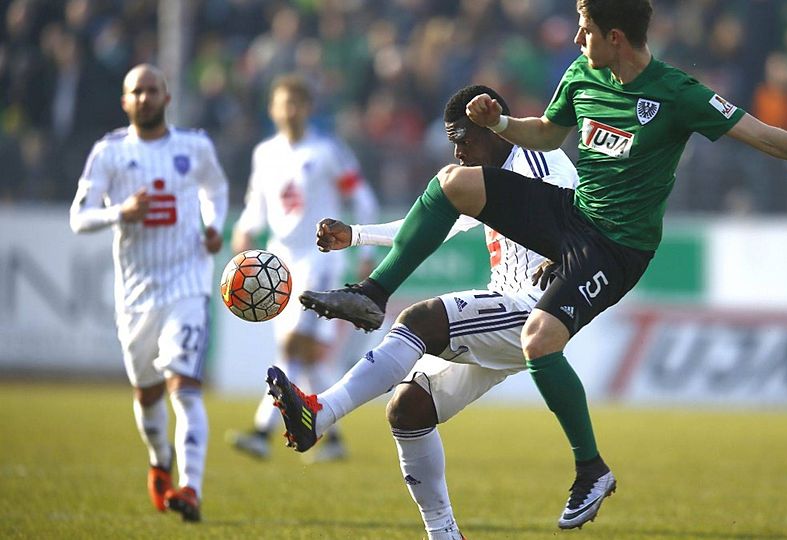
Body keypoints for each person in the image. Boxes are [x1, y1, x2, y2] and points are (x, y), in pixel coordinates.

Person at [289, 0, 787, 529]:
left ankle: (591, 467)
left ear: (615, 37)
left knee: (539, 337)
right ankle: (374, 291)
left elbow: (761, 135)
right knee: (456, 182)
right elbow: (547, 132)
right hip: (572, 216)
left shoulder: (676, 93)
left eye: (586, 28)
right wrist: (505, 122)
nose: (576, 36)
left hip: (616, 249)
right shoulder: (580, 78)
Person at [266, 84, 581, 537]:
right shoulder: (488, 175)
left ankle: (322, 413)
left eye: (462, 139)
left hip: (534, 311)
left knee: (419, 320)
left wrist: (567, 255)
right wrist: (355, 235)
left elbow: (582, 214)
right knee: (409, 409)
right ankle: (444, 534)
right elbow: (425, 221)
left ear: (494, 131)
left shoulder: (539, 161)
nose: (456, 150)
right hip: (507, 310)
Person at [69, 64, 229, 522]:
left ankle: (192, 488)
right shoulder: (109, 152)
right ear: (125, 101)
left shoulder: (194, 145)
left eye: (151, 90)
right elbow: (79, 217)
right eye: (135, 92)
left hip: (187, 282)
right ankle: (161, 461)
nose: (144, 98)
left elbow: (214, 188)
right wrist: (121, 212)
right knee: (147, 395)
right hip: (136, 293)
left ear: (167, 97)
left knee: (185, 389)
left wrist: (214, 225)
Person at [226, 74, 379, 463]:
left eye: (297, 102)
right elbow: (255, 206)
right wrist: (244, 231)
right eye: (283, 102)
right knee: (307, 357)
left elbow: (361, 198)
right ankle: (335, 438)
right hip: (277, 264)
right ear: (272, 109)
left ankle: (262, 432)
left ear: (308, 108)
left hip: (319, 261)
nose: (290, 109)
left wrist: (365, 245)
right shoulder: (265, 154)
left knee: (294, 348)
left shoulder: (327, 151)